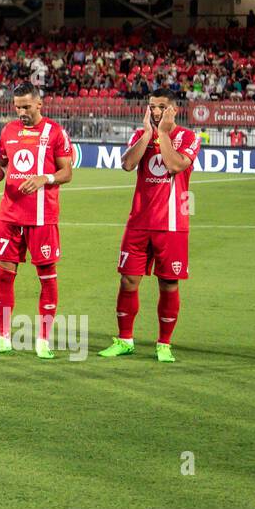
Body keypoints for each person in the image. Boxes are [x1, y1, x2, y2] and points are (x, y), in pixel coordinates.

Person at [99, 89, 200, 362]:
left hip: (172, 224)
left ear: (174, 110)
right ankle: (124, 340)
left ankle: (164, 343)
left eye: (162, 107)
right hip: (139, 222)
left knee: (168, 284)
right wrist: (147, 134)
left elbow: (175, 164)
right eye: (152, 106)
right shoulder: (140, 134)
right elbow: (127, 164)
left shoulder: (189, 137)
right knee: (128, 280)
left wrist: (163, 134)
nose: (156, 112)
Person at [0, 83, 74, 360]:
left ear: (39, 104)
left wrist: (45, 178)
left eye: (26, 106)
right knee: (4, 274)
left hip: (42, 216)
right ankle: (3, 337)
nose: (21, 111)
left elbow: (67, 172)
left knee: (46, 276)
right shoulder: (9, 131)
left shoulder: (54, 132)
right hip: (9, 215)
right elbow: (4, 160)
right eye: (17, 106)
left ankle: (43, 339)